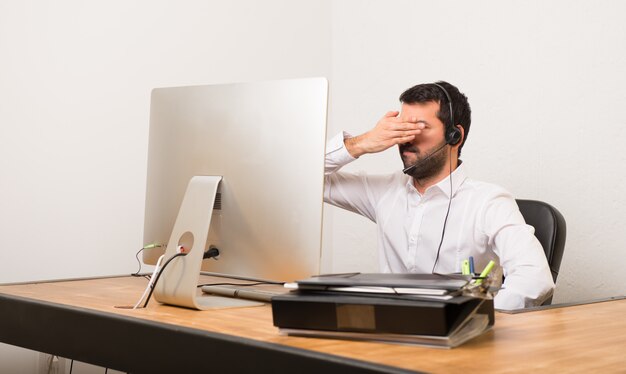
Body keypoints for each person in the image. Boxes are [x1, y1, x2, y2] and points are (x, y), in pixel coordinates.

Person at [324, 81, 554, 310]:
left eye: (419, 128)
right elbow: (300, 179)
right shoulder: (384, 192)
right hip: (393, 334)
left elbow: (534, 278)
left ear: (455, 136)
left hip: (459, 340)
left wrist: (468, 318)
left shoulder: (488, 202)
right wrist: (361, 143)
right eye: (401, 128)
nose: (405, 138)